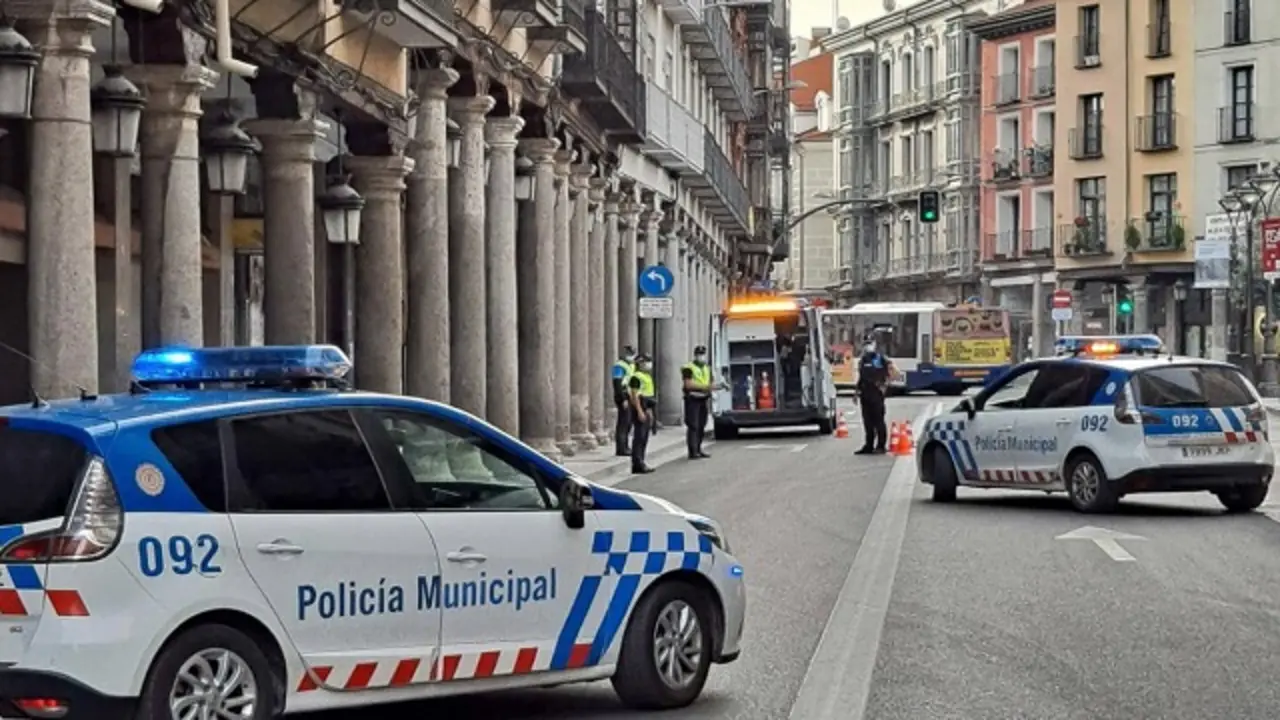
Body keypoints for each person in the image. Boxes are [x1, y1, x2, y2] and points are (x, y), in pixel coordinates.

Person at [855, 334, 896, 455]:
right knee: (867, 422)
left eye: (870, 343)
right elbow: (861, 377)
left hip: (876, 394)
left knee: (878, 420)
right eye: (865, 343)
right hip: (865, 394)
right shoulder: (863, 360)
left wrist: (885, 385)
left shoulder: (880, 358)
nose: (867, 346)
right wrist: (856, 392)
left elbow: (893, 371)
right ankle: (869, 445)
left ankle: (881, 446)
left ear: (874, 344)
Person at [681, 345, 713, 460]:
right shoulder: (688, 368)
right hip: (692, 400)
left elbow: (710, 383)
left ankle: (699, 449)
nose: (701, 356)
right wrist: (704, 387)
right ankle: (693, 451)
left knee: (701, 425)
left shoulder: (706, 368)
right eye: (699, 354)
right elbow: (688, 384)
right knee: (693, 426)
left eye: (703, 354)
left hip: (703, 399)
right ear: (695, 355)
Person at [628, 354, 657, 474]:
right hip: (640, 408)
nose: (649, 364)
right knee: (639, 437)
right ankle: (637, 463)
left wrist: (650, 412)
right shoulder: (636, 377)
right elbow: (634, 396)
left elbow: (648, 395)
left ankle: (641, 461)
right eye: (646, 362)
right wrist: (639, 411)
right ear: (640, 363)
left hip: (647, 408)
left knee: (644, 437)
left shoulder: (647, 377)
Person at [611, 346, 637, 456]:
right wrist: (623, 399)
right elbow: (617, 383)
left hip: (629, 395)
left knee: (628, 423)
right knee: (623, 423)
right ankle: (621, 448)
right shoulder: (619, 366)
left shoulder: (630, 365)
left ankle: (626, 446)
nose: (632, 356)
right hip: (622, 395)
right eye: (630, 353)